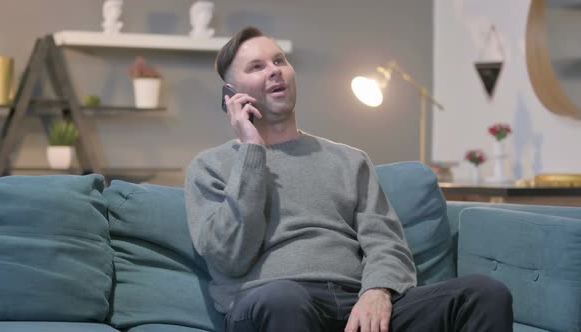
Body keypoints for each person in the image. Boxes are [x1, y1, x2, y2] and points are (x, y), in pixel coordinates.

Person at [185, 26, 513, 332]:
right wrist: (252, 153)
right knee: (285, 298)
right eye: (256, 67)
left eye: (279, 60)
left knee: (484, 293)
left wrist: (377, 291)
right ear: (231, 95)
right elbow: (229, 257)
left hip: (355, 306)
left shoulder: (349, 160)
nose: (274, 70)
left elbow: (386, 243)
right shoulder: (212, 167)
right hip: (268, 304)